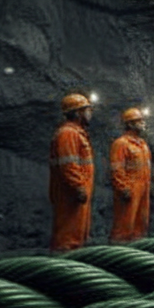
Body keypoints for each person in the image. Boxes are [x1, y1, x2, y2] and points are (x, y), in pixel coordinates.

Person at [50, 93, 96, 252]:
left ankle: (72, 262)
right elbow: (68, 164)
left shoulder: (76, 133)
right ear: (77, 113)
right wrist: (78, 186)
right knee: (68, 234)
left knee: (76, 232)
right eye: (86, 110)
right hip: (70, 193)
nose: (90, 113)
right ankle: (64, 265)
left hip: (76, 191)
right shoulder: (67, 133)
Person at [109, 107, 153, 243]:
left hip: (143, 187)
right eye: (139, 121)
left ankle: (137, 251)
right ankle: (119, 251)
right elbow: (117, 168)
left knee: (140, 223)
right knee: (125, 223)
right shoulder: (121, 144)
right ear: (130, 124)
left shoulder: (143, 145)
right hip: (130, 188)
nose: (143, 123)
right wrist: (123, 188)